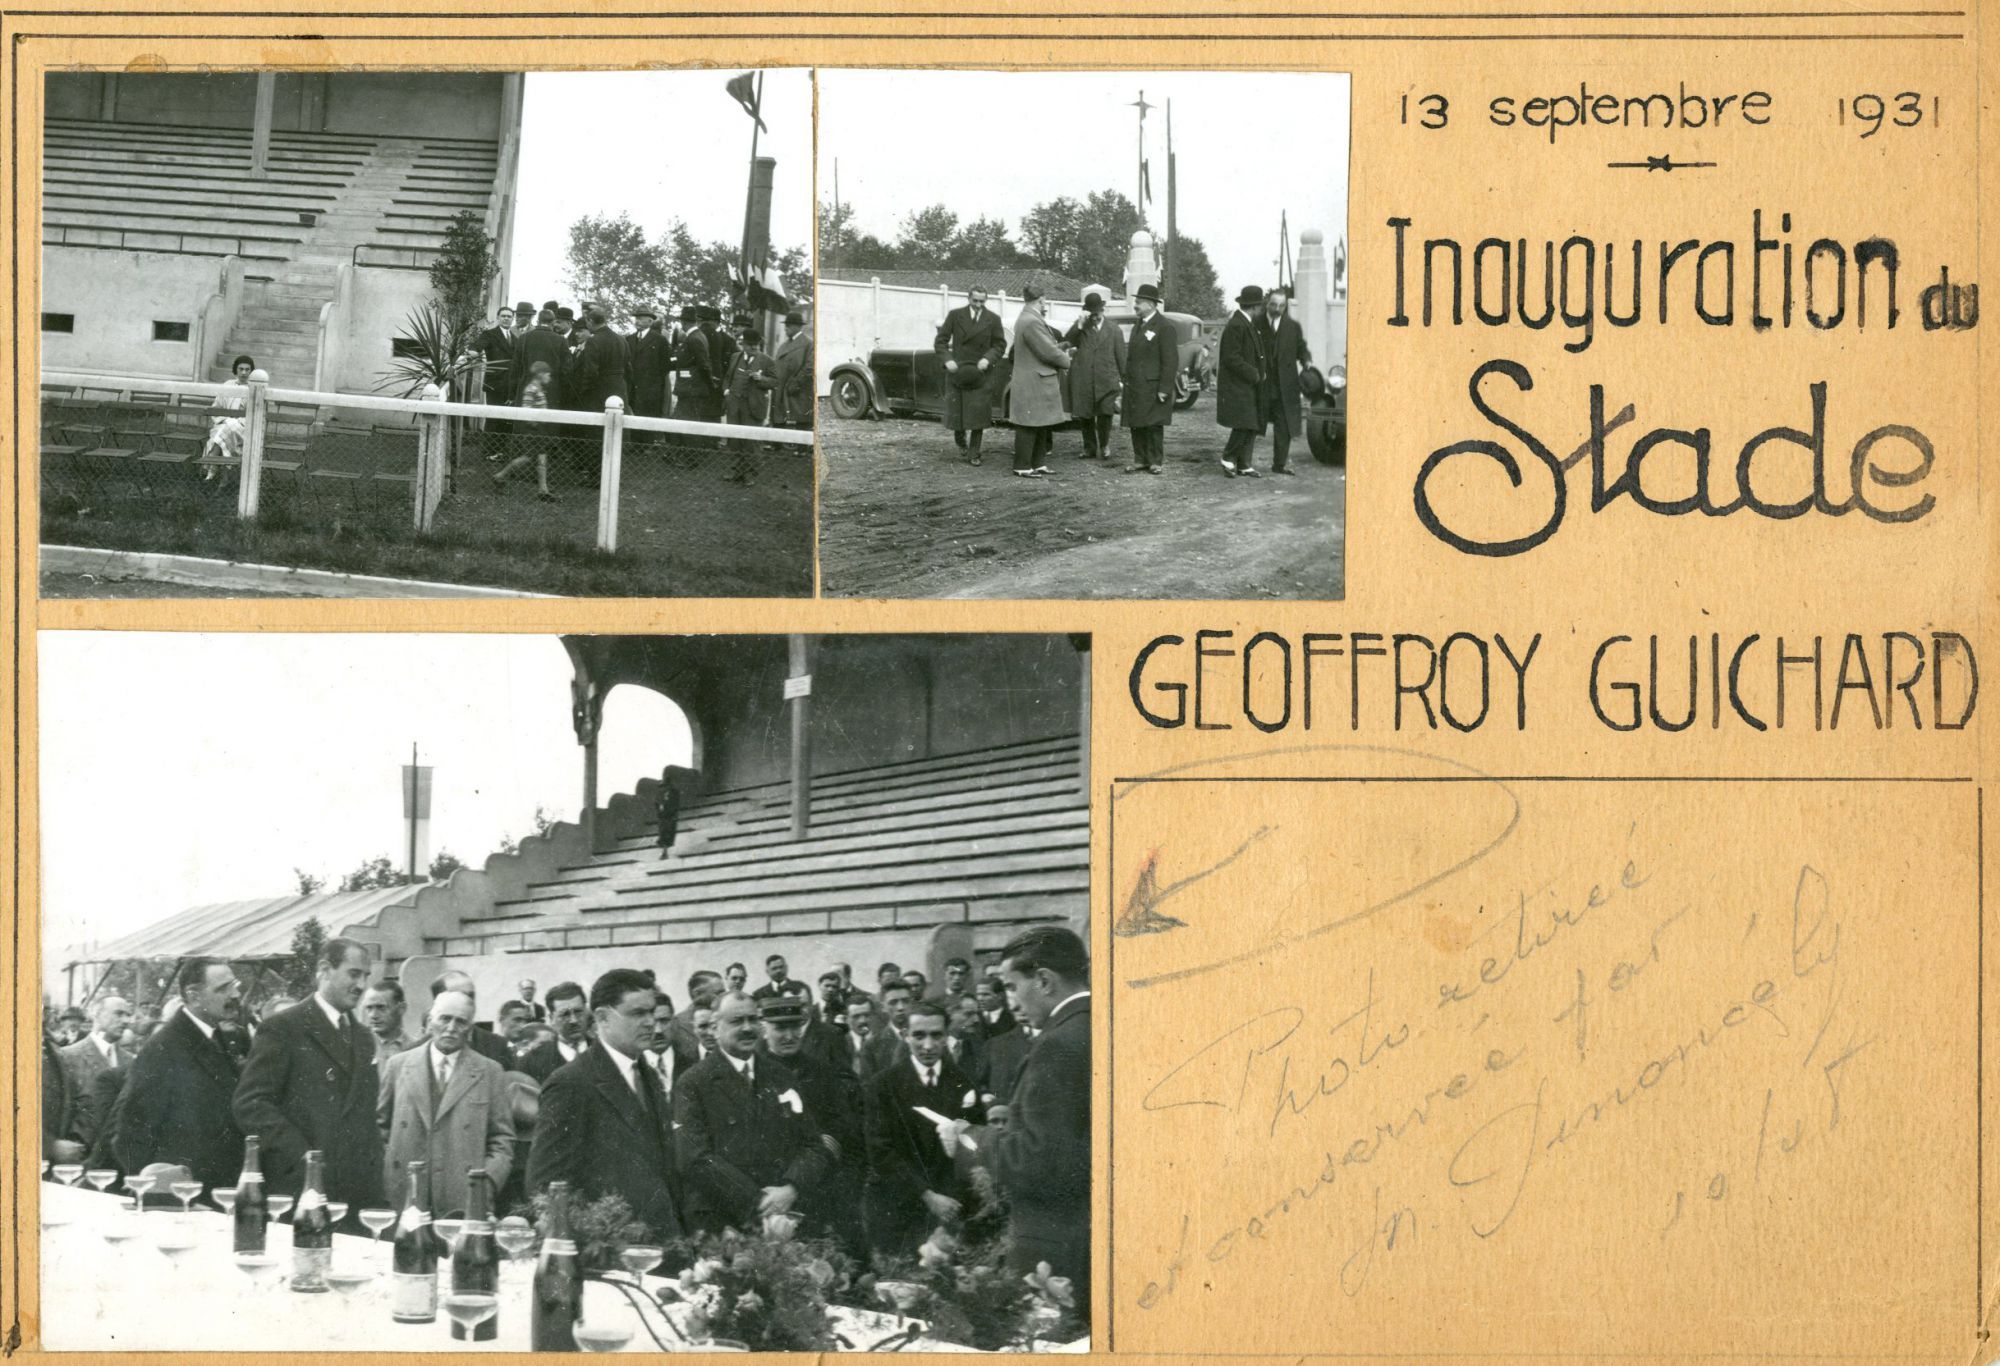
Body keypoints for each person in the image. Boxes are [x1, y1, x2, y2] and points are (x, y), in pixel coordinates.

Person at [943, 926, 1091, 1322]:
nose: (1012, 1002)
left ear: (1043, 980)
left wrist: (967, 1139)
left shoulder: (1058, 1043)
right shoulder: (1096, 1024)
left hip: (1056, 1244)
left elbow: (1037, 1159)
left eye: (1012, 986)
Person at [230, 937, 386, 1213]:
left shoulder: (363, 1037)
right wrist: (301, 1154)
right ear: (325, 970)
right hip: (302, 1187)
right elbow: (250, 1104)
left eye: (366, 976)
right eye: (353, 974)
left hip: (356, 1190)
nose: (362, 985)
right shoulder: (283, 1028)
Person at [528, 968, 683, 1242]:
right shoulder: (570, 1082)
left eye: (652, 1012)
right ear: (601, 1017)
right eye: (638, 1013)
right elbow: (547, 1185)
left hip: (659, 1243)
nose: (651, 1023)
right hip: (607, 1248)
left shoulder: (647, 1074)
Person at [673, 992, 830, 1235]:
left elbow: (813, 1145)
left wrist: (792, 1188)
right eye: (737, 1021)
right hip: (723, 1221)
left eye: (752, 1019)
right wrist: (758, 1201)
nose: (747, 1028)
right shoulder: (693, 1082)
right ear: (715, 1028)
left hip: (784, 1218)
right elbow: (695, 1158)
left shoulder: (781, 1076)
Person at [863, 999, 987, 1257]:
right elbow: (880, 1151)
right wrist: (927, 1196)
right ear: (905, 1036)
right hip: (898, 1208)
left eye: (936, 1035)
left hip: (950, 1210)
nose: (928, 1045)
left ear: (946, 1037)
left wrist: (949, 1204)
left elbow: (975, 1151)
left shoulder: (964, 1084)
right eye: (919, 1036)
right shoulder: (882, 1086)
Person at [377, 990, 516, 1214]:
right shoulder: (398, 1066)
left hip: (464, 1196)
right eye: (445, 1018)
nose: (451, 1028)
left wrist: (486, 1183)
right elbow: (380, 1128)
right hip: (404, 1193)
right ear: (430, 1021)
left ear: (470, 1029)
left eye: (461, 1021)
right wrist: (388, 1173)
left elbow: (502, 1139)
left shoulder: (490, 1071)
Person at [759, 996, 865, 1254]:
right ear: (764, 1029)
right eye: (780, 1028)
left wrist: (797, 1183)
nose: (789, 1035)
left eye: (794, 1027)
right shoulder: (754, 1073)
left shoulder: (822, 1073)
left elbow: (839, 1131)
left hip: (816, 1189)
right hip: (766, 1192)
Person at [934, 286, 1006, 464]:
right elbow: (940, 341)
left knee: (978, 415)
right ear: (968, 298)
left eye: (982, 301)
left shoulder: (993, 319)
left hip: (981, 373)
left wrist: (988, 359)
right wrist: (947, 360)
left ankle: (974, 453)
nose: (978, 304)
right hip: (958, 371)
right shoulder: (955, 315)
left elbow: (999, 345)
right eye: (975, 301)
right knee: (958, 415)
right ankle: (961, 442)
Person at [1006, 285, 1071, 479]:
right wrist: (1066, 360)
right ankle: (1022, 466)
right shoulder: (1031, 321)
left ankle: (1038, 463)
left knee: (1040, 422)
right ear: (1041, 300)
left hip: (1035, 379)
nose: (1045, 304)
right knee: (1029, 424)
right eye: (1044, 301)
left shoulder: (1027, 318)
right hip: (1034, 381)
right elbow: (1047, 351)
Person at [58, 995, 135, 1149]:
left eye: (128, 1015)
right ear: (96, 1013)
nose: (126, 1021)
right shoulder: (68, 1056)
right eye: (119, 1013)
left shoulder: (131, 1060)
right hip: (81, 1152)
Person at [1121, 282, 1178, 474]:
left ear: (1151, 305)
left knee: (1153, 424)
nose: (1135, 305)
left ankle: (1155, 461)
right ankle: (1140, 459)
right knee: (1136, 423)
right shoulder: (1139, 325)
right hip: (1136, 385)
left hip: (1153, 386)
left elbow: (1170, 361)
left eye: (1138, 302)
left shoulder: (1165, 327)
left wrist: (1165, 388)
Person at [1063, 289, 1126, 462]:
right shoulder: (1081, 327)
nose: (1095, 318)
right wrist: (1079, 325)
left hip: (1107, 379)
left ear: (1102, 311)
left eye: (1097, 314)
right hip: (1084, 379)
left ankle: (1104, 445)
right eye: (1091, 314)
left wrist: (1124, 378)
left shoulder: (1114, 330)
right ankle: (1089, 448)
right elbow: (1068, 341)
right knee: (1086, 415)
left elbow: (1121, 356)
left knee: (1105, 414)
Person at [1256, 286, 1311, 476]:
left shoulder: (1292, 327)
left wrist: (1306, 360)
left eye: (1281, 306)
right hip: (1261, 383)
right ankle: (1242, 462)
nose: (1277, 309)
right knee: (1252, 422)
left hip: (1285, 385)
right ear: (1267, 304)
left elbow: (1301, 348)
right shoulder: (1256, 323)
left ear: (1285, 306)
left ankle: (1279, 464)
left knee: (1284, 425)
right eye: (1273, 305)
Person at [1216, 284, 1269, 477]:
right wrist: (1254, 373)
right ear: (1255, 307)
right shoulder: (1237, 325)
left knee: (1252, 423)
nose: (1261, 309)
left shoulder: (1245, 323)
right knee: (1245, 422)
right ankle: (1228, 457)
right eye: (1260, 306)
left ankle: (1244, 464)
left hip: (1247, 384)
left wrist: (1260, 372)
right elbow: (1231, 358)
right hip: (1238, 385)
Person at [492, 359, 556, 499]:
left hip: (539, 428)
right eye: (548, 375)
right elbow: (526, 409)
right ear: (540, 374)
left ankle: (543, 490)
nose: (549, 377)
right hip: (533, 429)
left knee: (541, 457)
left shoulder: (539, 388)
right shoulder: (531, 389)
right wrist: (534, 423)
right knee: (529, 457)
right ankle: (500, 476)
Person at [722, 318, 777, 481]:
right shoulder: (735, 357)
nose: (754, 348)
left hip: (753, 407)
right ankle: (735, 470)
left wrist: (762, 379)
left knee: (751, 441)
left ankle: (750, 473)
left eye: (756, 345)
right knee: (734, 439)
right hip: (734, 405)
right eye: (750, 345)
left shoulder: (767, 361)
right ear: (743, 344)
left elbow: (775, 382)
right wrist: (726, 391)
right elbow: (728, 377)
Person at [518, 980, 590, 1082]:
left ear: (586, 1012)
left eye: (578, 1012)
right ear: (552, 1019)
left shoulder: (606, 1051)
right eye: (565, 1014)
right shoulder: (531, 1062)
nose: (573, 1020)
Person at [201, 354, 255, 479]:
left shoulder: (253, 388)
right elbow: (217, 407)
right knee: (224, 431)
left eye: (247, 369)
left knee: (223, 432)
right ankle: (223, 478)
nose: (244, 372)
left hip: (243, 428)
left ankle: (211, 466)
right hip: (224, 423)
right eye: (241, 369)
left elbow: (253, 415)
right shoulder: (228, 385)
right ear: (236, 369)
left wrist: (234, 422)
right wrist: (227, 420)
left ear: (251, 371)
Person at [668, 971, 725, 1077]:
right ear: (697, 994)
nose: (724, 997)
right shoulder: (676, 1025)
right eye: (718, 993)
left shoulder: (726, 1019)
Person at [627, 302, 672, 423]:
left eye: (641, 318)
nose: (637, 321)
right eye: (636, 318)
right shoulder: (629, 339)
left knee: (647, 425)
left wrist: (652, 384)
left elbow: (665, 367)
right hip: (632, 392)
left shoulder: (660, 340)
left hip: (650, 394)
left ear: (650, 321)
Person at [771, 311, 815, 431]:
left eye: (789, 325)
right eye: (786, 324)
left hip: (797, 393)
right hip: (781, 392)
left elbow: (810, 368)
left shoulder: (808, 343)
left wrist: (795, 384)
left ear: (799, 326)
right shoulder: (783, 345)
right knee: (780, 425)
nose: (786, 327)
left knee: (800, 425)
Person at [672, 305, 717, 422]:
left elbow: (703, 365)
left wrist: (710, 385)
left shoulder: (693, 338)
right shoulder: (698, 336)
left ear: (683, 322)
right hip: (691, 389)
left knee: (684, 422)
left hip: (691, 390)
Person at [473, 306, 517, 413]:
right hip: (495, 384)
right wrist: (473, 353)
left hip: (510, 386)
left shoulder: (516, 339)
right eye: (503, 316)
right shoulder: (489, 334)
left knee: (509, 417)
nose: (506, 318)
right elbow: (476, 347)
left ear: (513, 319)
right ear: (498, 318)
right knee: (493, 416)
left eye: (509, 316)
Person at [358, 982, 412, 1063]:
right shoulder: (357, 1046)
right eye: (369, 1008)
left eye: (381, 1007)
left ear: (401, 1008)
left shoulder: (416, 1048)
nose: (373, 1015)